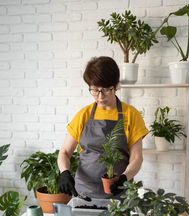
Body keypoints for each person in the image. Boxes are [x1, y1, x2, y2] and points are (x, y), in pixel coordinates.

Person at [57, 56, 149, 199]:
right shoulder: (84, 114)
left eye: (106, 90)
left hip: (119, 193)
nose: (100, 96)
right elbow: (64, 152)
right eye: (94, 90)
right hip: (84, 194)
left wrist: (125, 178)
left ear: (116, 85)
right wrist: (64, 172)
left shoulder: (131, 115)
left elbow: (137, 158)